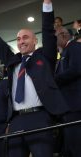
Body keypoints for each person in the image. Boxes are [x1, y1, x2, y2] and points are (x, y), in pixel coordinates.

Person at [0, 0, 69, 156]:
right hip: (16, 121)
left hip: (40, 117)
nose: (21, 41)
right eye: (18, 39)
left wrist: (47, 5)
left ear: (35, 41)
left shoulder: (44, 57)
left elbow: (48, 31)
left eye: (25, 37)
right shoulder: (13, 61)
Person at [55, 23, 81, 157]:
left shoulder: (75, 47)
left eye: (55, 37)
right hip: (68, 107)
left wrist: (53, 80)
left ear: (64, 35)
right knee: (70, 147)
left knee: (77, 146)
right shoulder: (64, 51)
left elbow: (76, 69)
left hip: (75, 105)